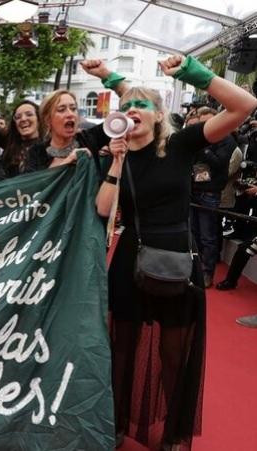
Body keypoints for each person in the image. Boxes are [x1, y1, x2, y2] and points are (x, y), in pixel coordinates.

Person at [92, 55, 257, 450]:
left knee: (172, 354)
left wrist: (192, 73)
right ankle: (116, 424)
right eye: (126, 106)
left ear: (159, 114)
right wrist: (115, 162)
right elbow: (103, 208)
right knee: (123, 348)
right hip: (129, 257)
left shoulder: (181, 145)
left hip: (177, 260)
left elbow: (244, 106)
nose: (132, 111)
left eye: (141, 106)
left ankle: (171, 435)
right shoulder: (117, 152)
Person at [190, 106, 238, 287]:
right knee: (193, 234)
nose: (206, 125)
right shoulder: (196, 138)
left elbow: (219, 164)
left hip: (210, 193)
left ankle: (207, 273)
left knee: (208, 237)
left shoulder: (226, 140)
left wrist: (204, 148)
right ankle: (195, 269)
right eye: (203, 122)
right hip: (193, 190)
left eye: (209, 121)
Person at [24, 89, 109, 173]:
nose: (70, 114)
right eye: (61, 110)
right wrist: (69, 160)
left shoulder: (89, 138)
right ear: (47, 120)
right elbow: (34, 185)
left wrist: (108, 77)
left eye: (73, 108)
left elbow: (120, 121)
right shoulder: (36, 153)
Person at [2, 100, 42, 177]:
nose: (23, 119)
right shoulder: (9, 150)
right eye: (18, 117)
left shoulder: (49, 148)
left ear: (39, 119)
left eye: (29, 114)